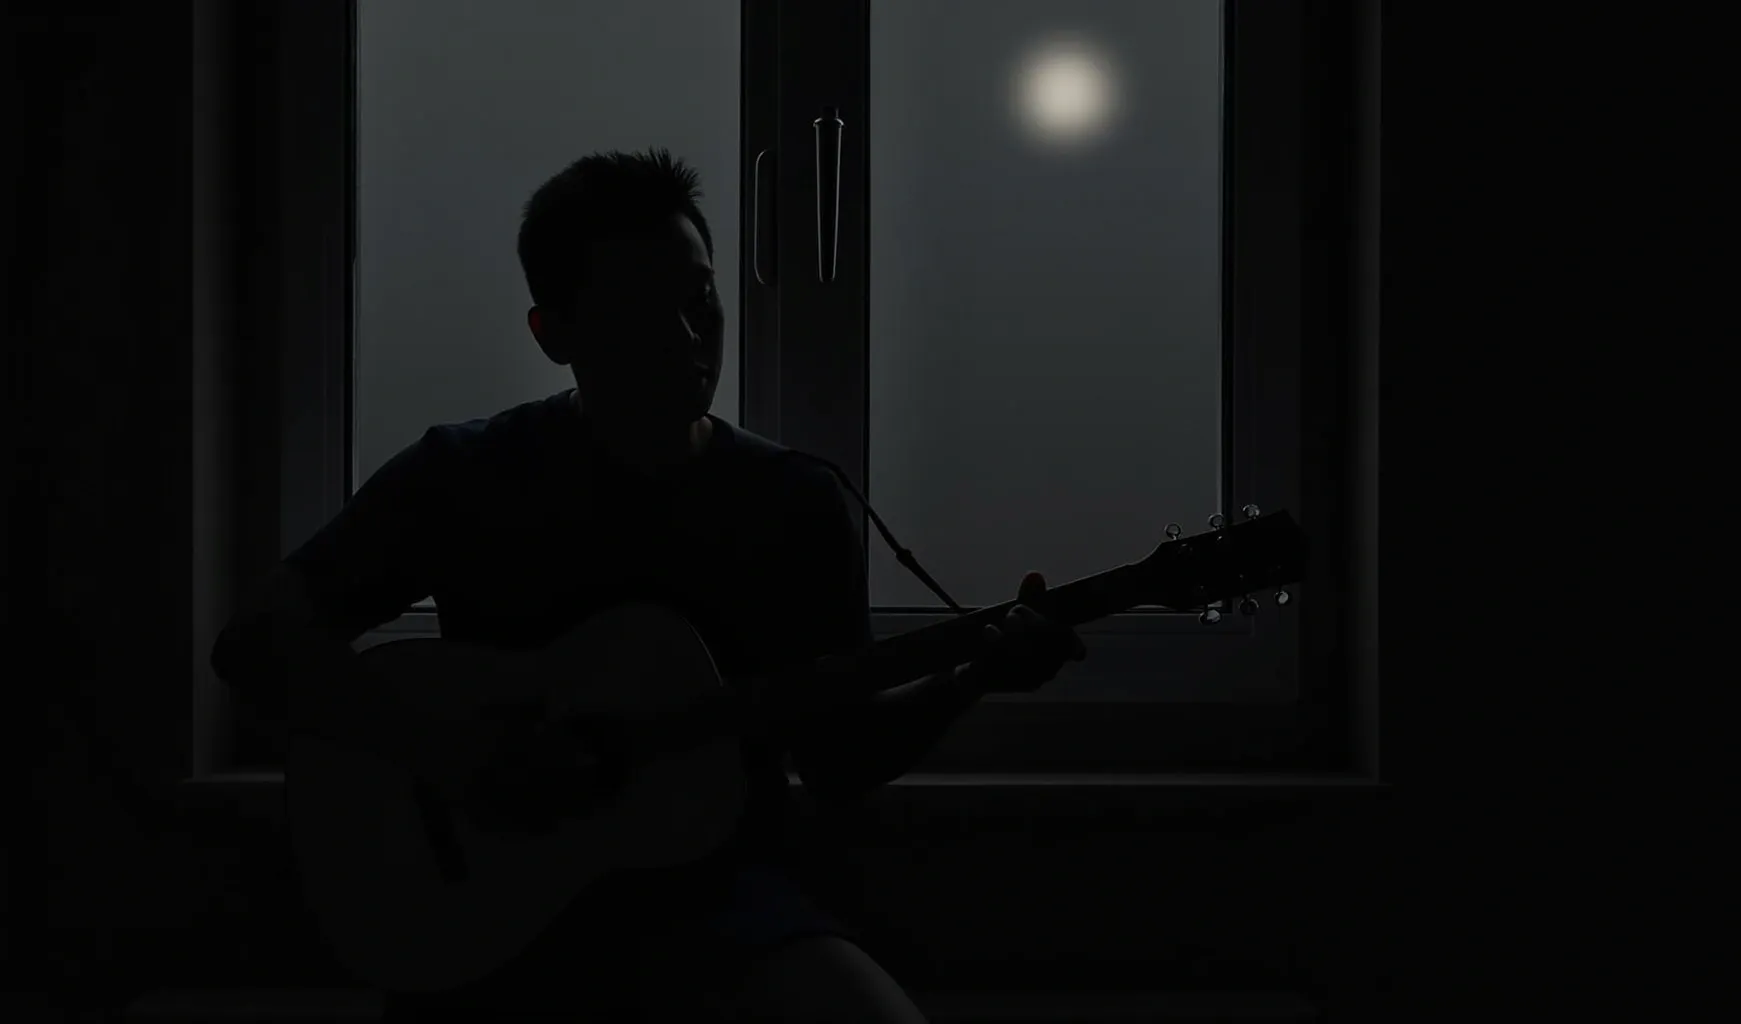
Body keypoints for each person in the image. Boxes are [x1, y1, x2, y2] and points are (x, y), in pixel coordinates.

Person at [210, 148, 1085, 1023]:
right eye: (636, 311)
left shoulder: (793, 502)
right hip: (491, 907)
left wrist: (974, 678)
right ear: (553, 333)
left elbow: (837, 759)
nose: (685, 336)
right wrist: (450, 754)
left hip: (717, 899)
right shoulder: (465, 474)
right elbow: (255, 643)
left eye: (699, 299)